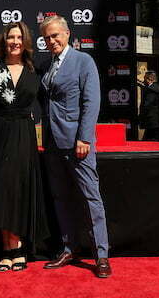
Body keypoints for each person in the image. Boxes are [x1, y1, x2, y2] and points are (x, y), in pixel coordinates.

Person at [38, 15, 112, 278]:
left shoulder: (83, 61)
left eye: (56, 35)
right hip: (52, 144)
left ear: (68, 34)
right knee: (61, 198)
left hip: (77, 143)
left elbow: (91, 103)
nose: (51, 40)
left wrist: (84, 138)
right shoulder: (46, 66)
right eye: (47, 37)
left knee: (91, 199)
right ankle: (68, 248)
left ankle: (101, 256)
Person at [0, 22, 50, 272]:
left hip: (23, 134)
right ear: (4, 40)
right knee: (1, 190)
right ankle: (6, 248)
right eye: (11, 37)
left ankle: (16, 248)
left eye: (20, 37)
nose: (15, 41)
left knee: (20, 189)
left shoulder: (35, 71)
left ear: (25, 41)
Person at [139, 70, 159, 141]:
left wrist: (141, 116)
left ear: (149, 79)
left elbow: (148, 104)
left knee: (151, 139)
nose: (143, 80)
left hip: (152, 120)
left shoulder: (152, 89)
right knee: (149, 139)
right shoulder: (155, 87)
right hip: (153, 120)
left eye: (145, 78)